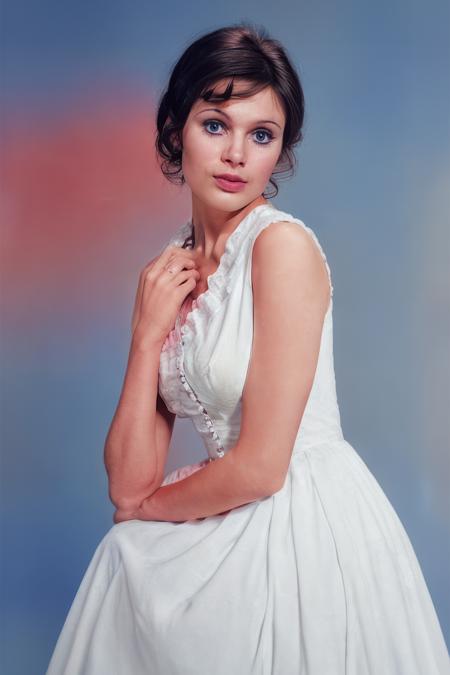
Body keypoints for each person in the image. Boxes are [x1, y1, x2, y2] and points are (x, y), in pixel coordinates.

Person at [46, 22, 449, 674]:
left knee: (131, 546)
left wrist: (148, 511)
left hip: (300, 519)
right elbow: (127, 481)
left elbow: (262, 467)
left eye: (260, 135)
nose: (236, 152)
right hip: (219, 508)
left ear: (279, 153)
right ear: (176, 127)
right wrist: (146, 336)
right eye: (215, 124)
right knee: (120, 559)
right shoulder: (166, 273)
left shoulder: (281, 248)